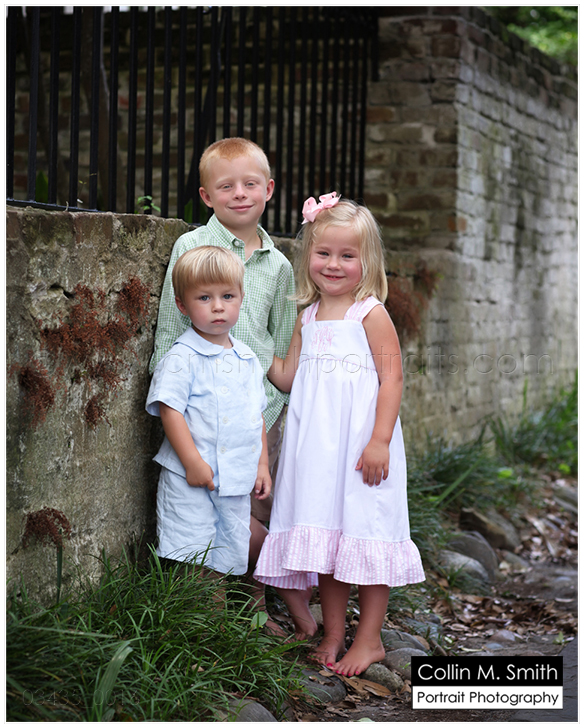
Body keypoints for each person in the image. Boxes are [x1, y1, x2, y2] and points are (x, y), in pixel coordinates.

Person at [254, 194, 425, 676]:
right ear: (307, 254)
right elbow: (288, 377)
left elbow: (392, 379)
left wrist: (380, 440)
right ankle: (332, 633)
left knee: (365, 532)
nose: (333, 264)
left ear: (367, 262)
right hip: (316, 450)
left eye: (347, 255)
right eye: (323, 253)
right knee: (329, 538)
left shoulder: (369, 313)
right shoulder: (307, 316)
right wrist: (250, 345)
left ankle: (369, 639)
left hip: (361, 446)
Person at [149, 138, 312, 633]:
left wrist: (273, 406)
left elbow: (280, 344)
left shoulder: (279, 265)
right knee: (206, 514)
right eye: (226, 186)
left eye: (249, 184)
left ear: (269, 189)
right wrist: (176, 403)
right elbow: (170, 331)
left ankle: (255, 604)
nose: (239, 193)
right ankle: (212, 613)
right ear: (206, 195)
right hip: (200, 410)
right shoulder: (192, 248)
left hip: (257, 410)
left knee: (253, 508)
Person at [146, 246, 272, 618]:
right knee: (197, 554)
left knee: (231, 547)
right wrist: (192, 462)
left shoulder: (247, 359)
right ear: (182, 306)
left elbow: (256, 416)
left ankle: (236, 616)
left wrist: (261, 465)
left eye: (227, 296)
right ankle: (203, 628)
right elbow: (170, 410)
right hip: (192, 478)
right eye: (204, 298)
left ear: (241, 298)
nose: (218, 307)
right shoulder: (181, 357)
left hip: (233, 479)